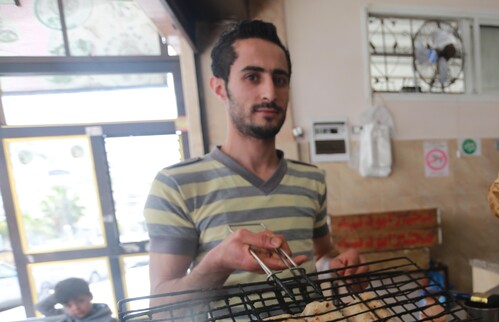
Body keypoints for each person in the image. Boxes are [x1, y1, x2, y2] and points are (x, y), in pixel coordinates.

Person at [144, 19, 366, 301]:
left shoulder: (311, 179)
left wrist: (337, 268)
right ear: (220, 88)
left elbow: (321, 256)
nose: (270, 93)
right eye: (252, 77)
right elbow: (162, 317)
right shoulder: (176, 185)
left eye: (280, 80)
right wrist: (218, 263)